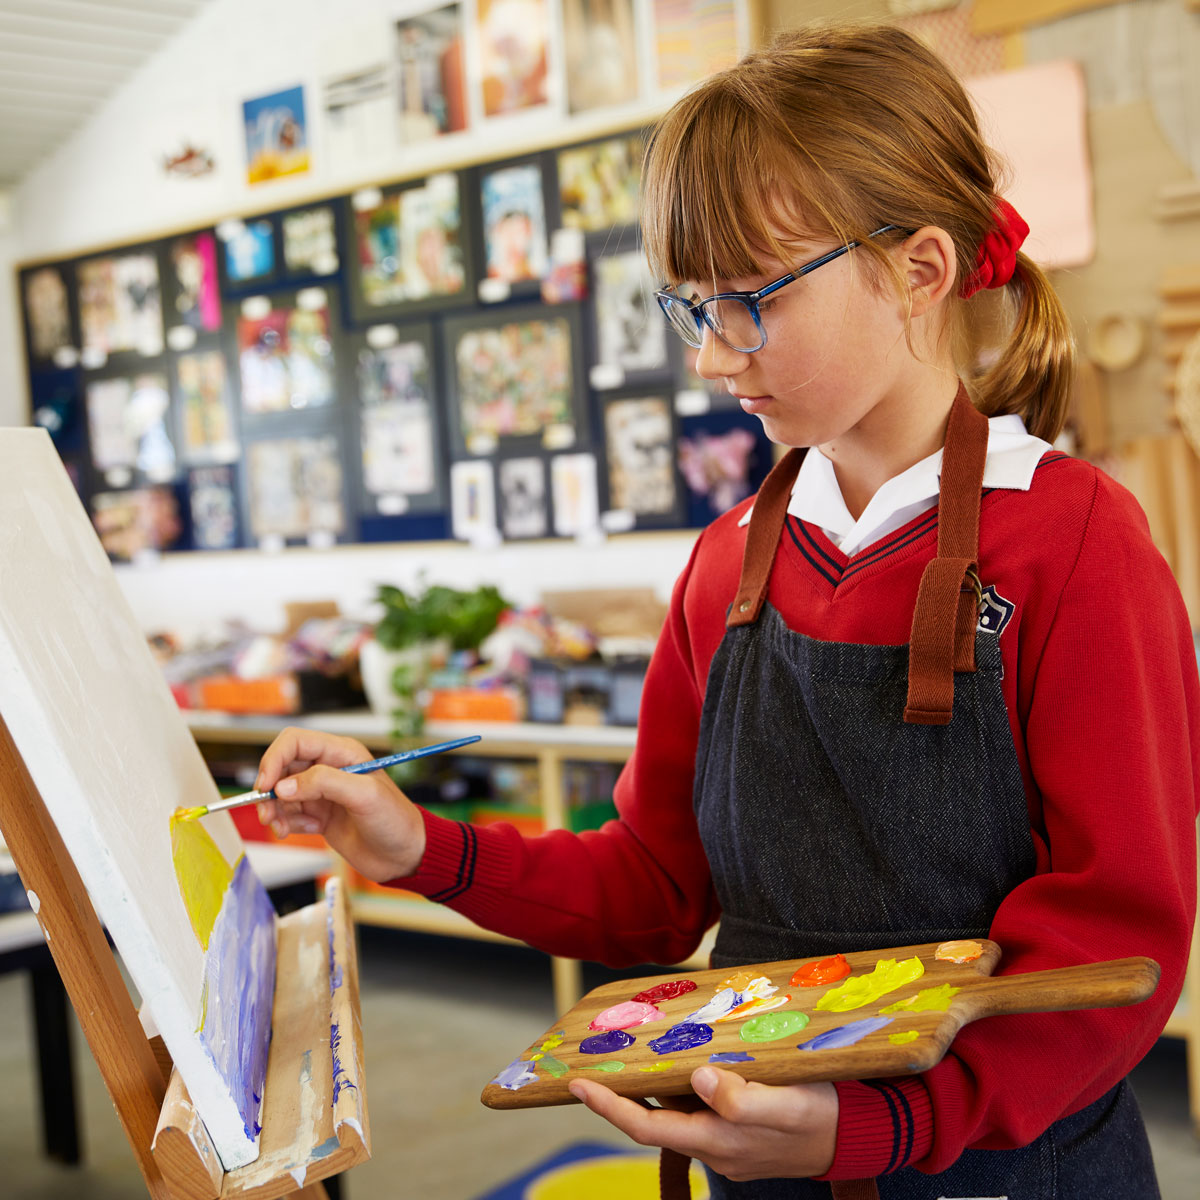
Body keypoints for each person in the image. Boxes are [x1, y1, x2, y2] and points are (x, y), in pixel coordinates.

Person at [254, 23, 1199, 1199]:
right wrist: (421, 847)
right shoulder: (723, 568)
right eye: (691, 307)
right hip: (762, 1166)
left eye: (750, 301)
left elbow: (1118, 951)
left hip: (1000, 1167)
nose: (712, 357)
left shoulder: (1075, 545)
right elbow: (656, 888)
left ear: (918, 272)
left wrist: (897, 1125)